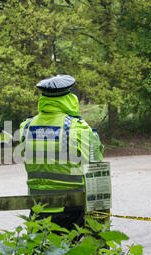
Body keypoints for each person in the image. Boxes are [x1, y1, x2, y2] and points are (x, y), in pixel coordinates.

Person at [19, 75, 104, 231]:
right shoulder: (79, 128)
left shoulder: (26, 127)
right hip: (71, 211)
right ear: (69, 97)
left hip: (38, 210)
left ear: (43, 97)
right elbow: (95, 167)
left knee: (41, 254)